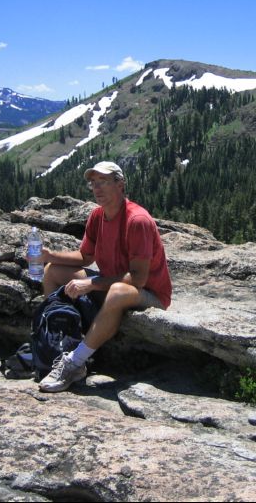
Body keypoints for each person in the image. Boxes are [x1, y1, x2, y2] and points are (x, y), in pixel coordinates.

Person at [37, 161, 172, 392]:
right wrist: (51, 255)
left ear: (120, 184)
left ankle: (76, 363)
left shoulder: (137, 220)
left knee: (117, 292)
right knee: (53, 271)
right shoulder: (98, 216)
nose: (97, 188)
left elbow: (138, 279)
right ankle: (60, 344)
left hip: (150, 294)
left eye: (104, 182)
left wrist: (91, 283)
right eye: (93, 183)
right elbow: (85, 256)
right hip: (112, 284)